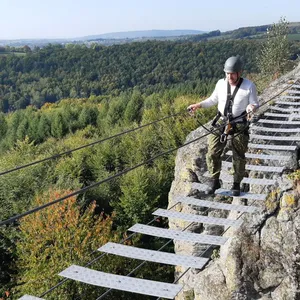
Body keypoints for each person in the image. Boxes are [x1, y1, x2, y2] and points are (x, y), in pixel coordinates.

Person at [187, 56, 259, 196]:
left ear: (239, 72)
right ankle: (214, 181)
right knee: (212, 151)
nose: (229, 76)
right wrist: (198, 105)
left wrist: (251, 107)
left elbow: (255, 103)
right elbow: (213, 100)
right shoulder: (221, 83)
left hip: (239, 122)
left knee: (238, 154)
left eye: (232, 73)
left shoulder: (249, 86)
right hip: (221, 120)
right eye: (227, 73)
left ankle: (236, 184)